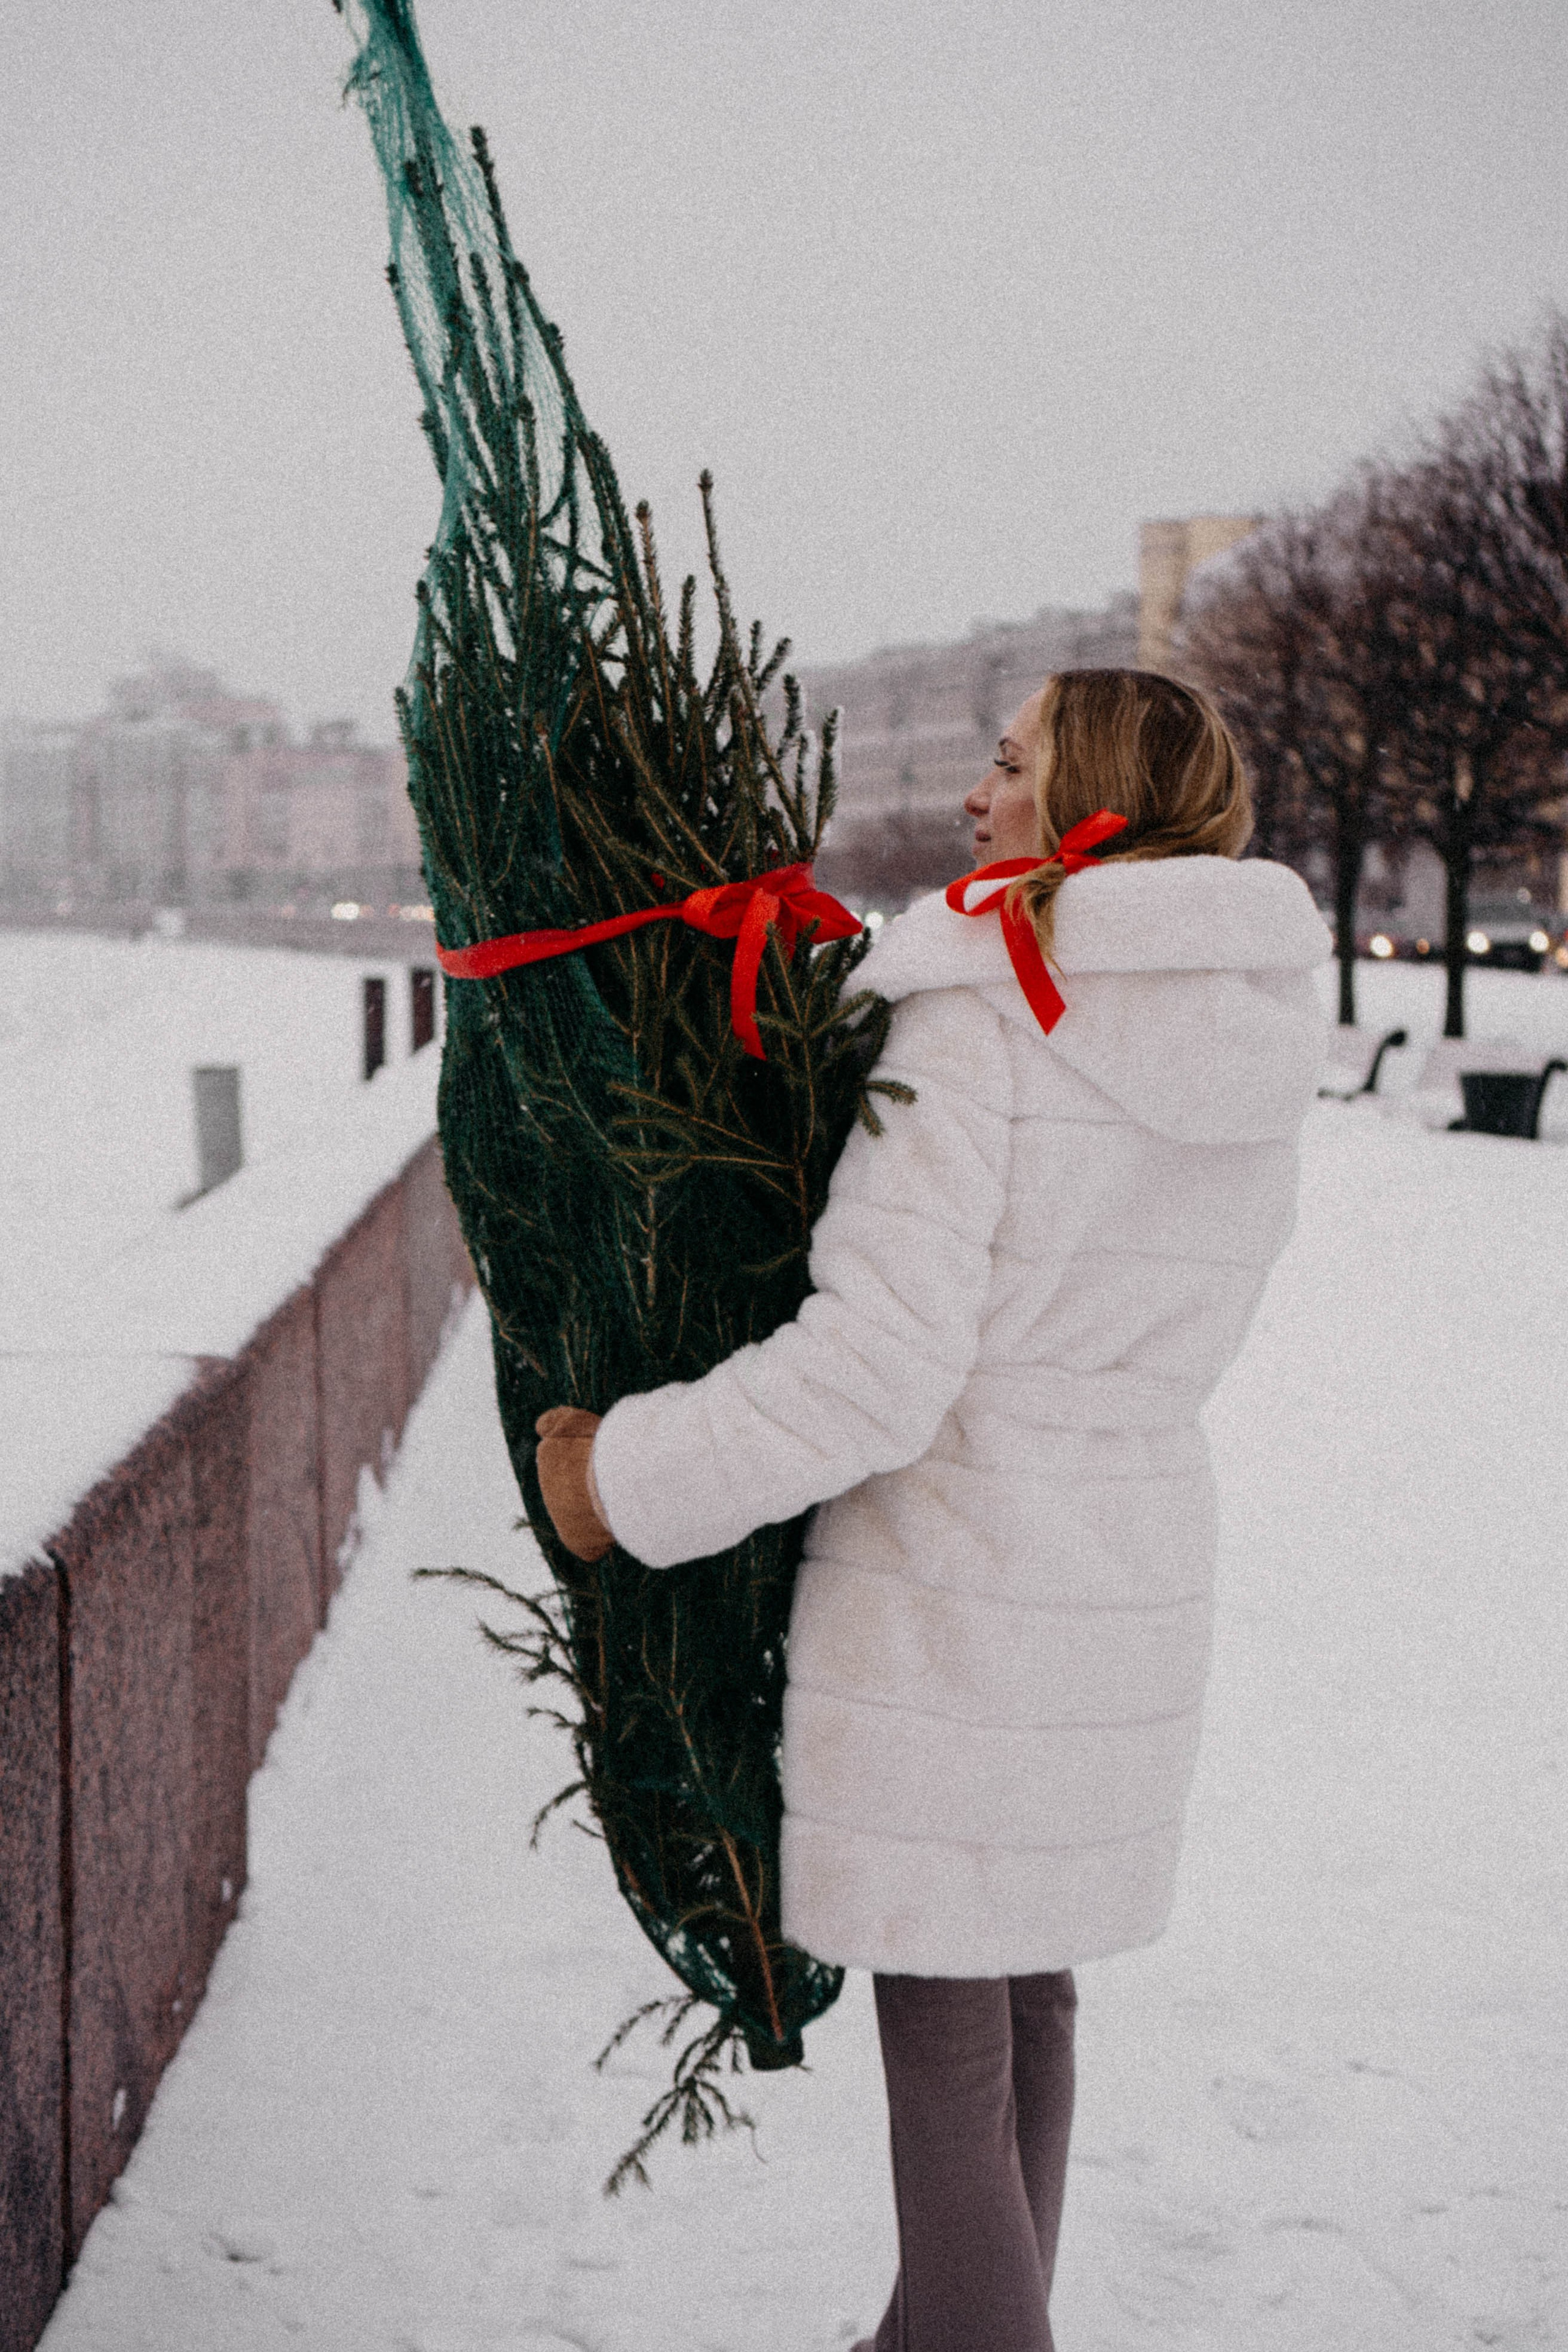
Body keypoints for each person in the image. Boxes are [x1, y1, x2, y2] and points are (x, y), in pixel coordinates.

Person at [534, 667, 1330, 2352]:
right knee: (1029, 2001)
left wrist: (626, 1477)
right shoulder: (1239, 1041)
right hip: (1123, 1571)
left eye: (1013, 761)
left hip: (963, 1589)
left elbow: (879, 1368)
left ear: (1089, 797)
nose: (979, 795)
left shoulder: (987, 1016)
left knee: (955, 2046)